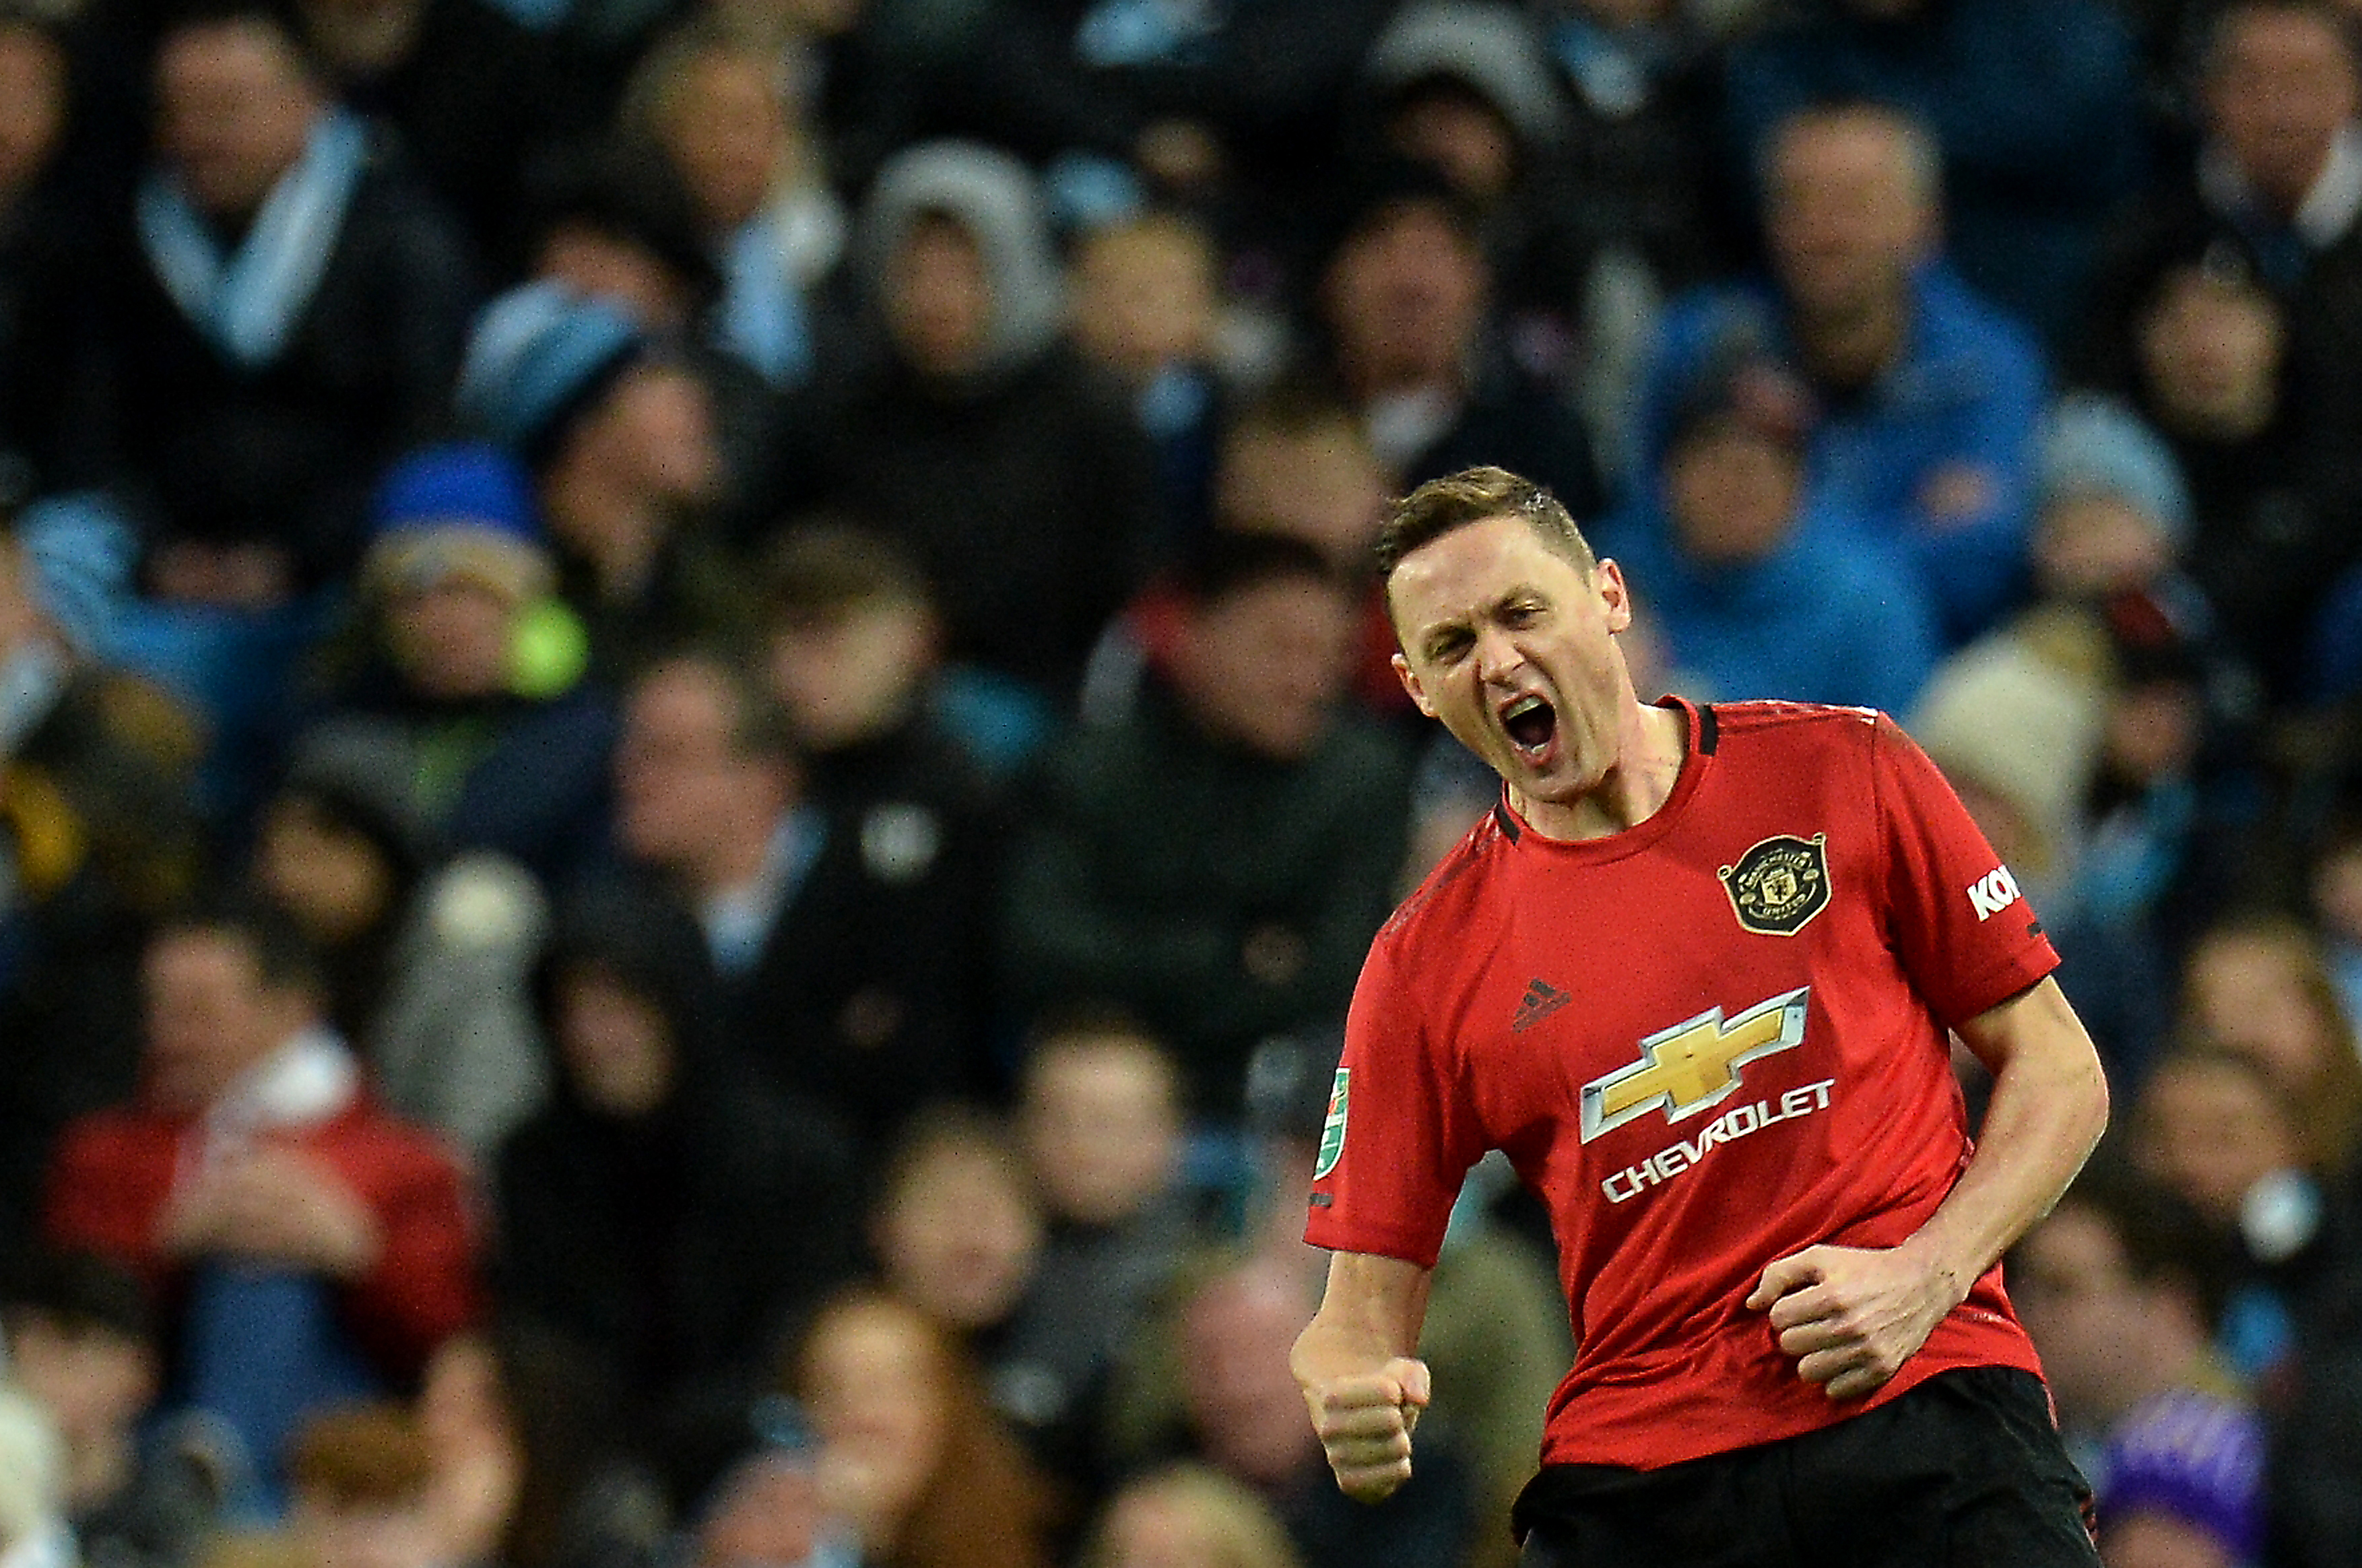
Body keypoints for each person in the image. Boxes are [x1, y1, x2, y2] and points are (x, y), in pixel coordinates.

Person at [1290, 465, 2111, 1565]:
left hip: (1923, 1397)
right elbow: (1355, 1318)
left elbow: (2061, 1070)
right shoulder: (1423, 963)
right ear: (1418, 688)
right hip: (1646, 1477)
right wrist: (1348, 1388)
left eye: (1522, 612)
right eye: (1452, 645)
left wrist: (1929, 1273)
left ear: (1610, 597)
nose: (1498, 660)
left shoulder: (1843, 768)